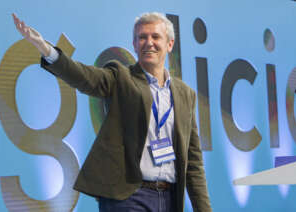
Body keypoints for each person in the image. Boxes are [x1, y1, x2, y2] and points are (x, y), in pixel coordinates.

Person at [12, 12, 212, 212]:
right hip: (128, 197)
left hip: (169, 198)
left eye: (155, 37)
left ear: (169, 44)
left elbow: (193, 162)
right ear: (134, 45)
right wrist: (47, 50)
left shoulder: (185, 94)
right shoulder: (121, 77)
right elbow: (84, 77)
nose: (148, 42)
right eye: (142, 37)